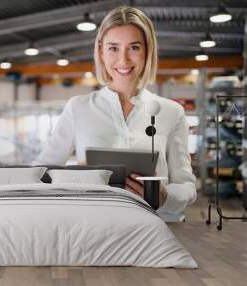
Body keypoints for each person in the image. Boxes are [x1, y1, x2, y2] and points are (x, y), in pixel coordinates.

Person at [34, 6, 196, 221]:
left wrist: (166, 196)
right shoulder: (78, 107)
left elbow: (187, 185)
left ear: (148, 50)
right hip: (94, 226)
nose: (123, 59)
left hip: (156, 227)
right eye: (113, 48)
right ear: (101, 51)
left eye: (134, 47)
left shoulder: (171, 112)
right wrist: (74, 176)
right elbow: (39, 173)